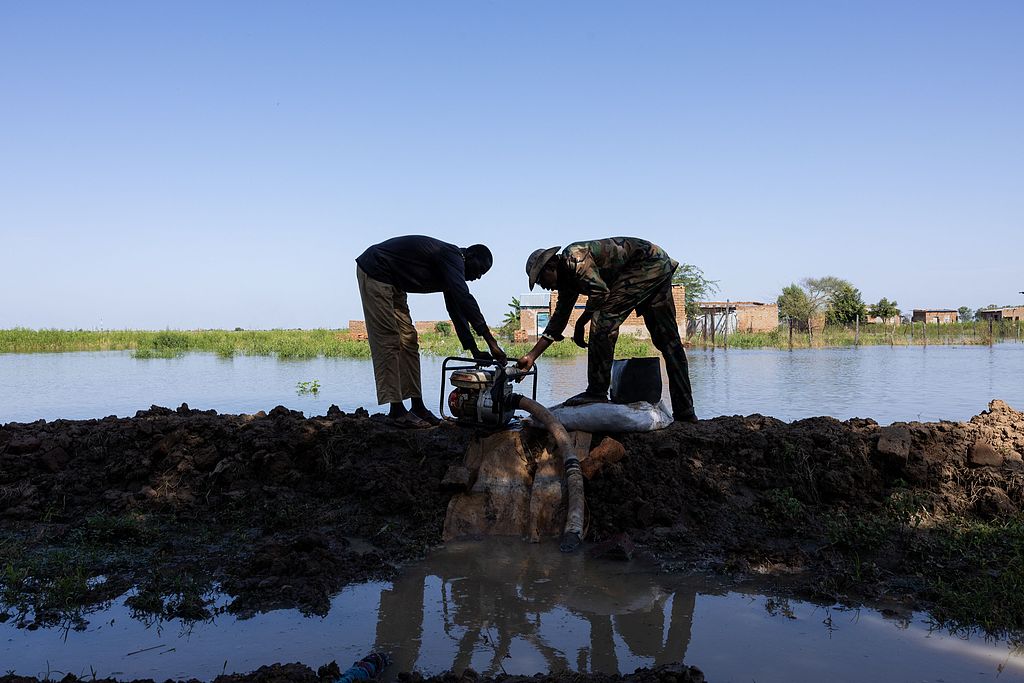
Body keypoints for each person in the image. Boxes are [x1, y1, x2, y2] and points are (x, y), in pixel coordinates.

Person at [517, 237, 697, 422]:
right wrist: (532, 356)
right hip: (657, 265)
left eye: (540, 280)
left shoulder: (574, 258)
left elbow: (600, 293)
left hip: (647, 263)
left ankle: (597, 391)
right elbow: (558, 321)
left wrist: (581, 323)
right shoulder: (568, 283)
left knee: (604, 323)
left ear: (552, 265)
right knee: (668, 342)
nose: (544, 286)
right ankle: (685, 411)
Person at [356, 235, 507, 428]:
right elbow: (465, 299)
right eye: (479, 270)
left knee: (409, 341)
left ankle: (417, 406)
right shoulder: (453, 256)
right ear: (469, 255)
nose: (477, 277)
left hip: (395, 282)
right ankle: (396, 411)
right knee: (389, 341)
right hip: (375, 269)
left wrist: (474, 350)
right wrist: (492, 343)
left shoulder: (451, 270)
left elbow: (457, 311)